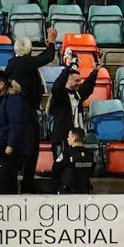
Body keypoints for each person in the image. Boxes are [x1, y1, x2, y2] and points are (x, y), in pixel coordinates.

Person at [5, 27, 59, 194]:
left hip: (15, 110)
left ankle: (17, 183)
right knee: (30, 148)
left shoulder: (12, 64)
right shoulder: (26, 63)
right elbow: (48, 57)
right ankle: (27, 183)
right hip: (26, 112)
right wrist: (51, 41)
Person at [47, 55, 100, 191]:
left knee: (78, 170)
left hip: (77, 139)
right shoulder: (60, 95)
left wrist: (95, 71)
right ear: (68, 81)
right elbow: (57, 86)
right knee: (62, 169)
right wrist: (67, 68)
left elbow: (88, 87)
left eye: (79, 80)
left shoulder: (78, 95)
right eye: (76, 81)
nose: (79, 83)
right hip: (63, 139)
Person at [0, 71, 30, 195]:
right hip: (0, 149)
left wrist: (10, 145)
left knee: (4, 185)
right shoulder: (0, 100)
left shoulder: (13, 99)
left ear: (1, 84)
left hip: (9, 151)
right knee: (2, 184)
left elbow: (16, 123)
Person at [55, 128, 96, 194]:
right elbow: (92, 170)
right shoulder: (90, 154)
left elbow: (55, 170)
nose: (67, 139)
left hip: (68, 192)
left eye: (69, 137)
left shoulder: (67, 154)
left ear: (74, 139)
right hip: (85, 191)